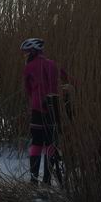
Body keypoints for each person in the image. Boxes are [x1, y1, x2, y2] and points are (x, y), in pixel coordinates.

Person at [21, 37, 76, 185]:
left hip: (38, 109)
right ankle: (47, 180)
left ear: (32, 51)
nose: (25, 55)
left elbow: (28, 90)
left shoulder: (29, 67)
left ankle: (33, 180)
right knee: (51, 144)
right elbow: (70, 81)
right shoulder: (54, 64)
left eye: (26, 52)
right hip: (54, 107)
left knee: (37, 144)